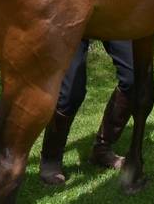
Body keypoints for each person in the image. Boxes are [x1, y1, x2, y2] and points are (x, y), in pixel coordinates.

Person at [39, 40, 133, 185]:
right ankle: (51, 157)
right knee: (71, 93)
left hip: (110, 18)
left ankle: (101, 149)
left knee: (133, 78)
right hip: (73, 19)